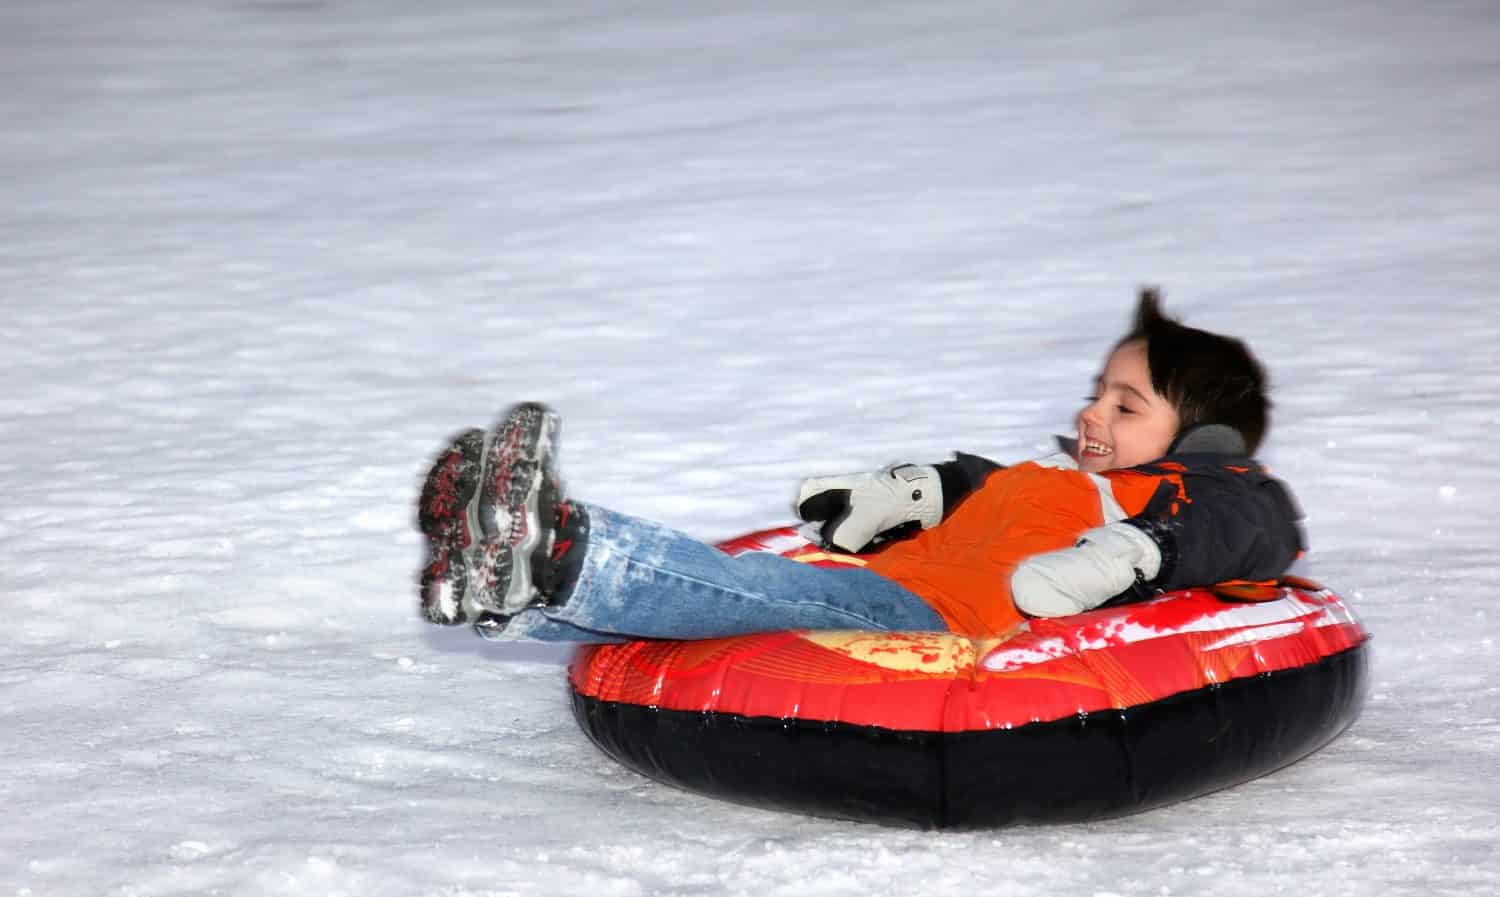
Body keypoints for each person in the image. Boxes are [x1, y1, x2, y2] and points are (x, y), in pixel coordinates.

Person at [416, 289, 1303, 644]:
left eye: (1124, 404)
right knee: (748, 593)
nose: (1091, 413)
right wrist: (895, 495)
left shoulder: (1203, 495)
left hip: (949, 621)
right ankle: (508, 583)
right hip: (901, 583)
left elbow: (1248, 529)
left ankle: (566, 549)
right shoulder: (1067, 480)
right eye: (1096, 390)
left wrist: (1138, 553)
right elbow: (971, 484)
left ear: (1201, 440)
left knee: (754, 595)